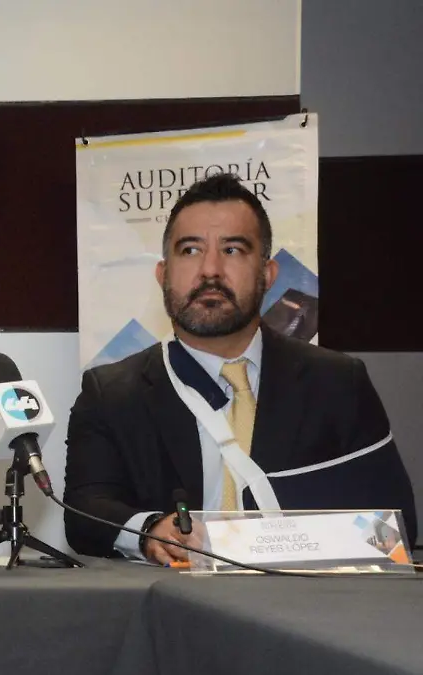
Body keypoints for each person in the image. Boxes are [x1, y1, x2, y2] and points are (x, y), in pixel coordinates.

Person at [63, 174, 416, 563]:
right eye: (190, 250)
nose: (210, 270)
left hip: (303, 597)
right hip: (174, 597)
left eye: (232, 250)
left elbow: (394, 529)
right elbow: (84, 511)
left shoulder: (338, 383)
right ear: (163, 275)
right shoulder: (112, 393)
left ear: (268, 275)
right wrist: (149, 530)